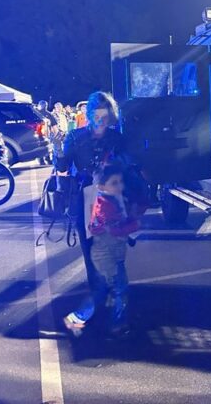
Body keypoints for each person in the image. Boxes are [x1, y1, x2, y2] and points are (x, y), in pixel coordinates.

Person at [55, 92, 127, 327]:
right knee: (97, 253)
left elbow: (62, 165)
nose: (101, 121)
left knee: (109, 253)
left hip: (104, 202)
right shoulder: (79, 137)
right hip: (89, 201)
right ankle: (109, 303)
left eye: (104, 116)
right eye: (97, 115)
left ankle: (114, 305)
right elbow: (62, 166)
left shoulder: (111, 138)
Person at [63, 162, 139, 337]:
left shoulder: (114, 199)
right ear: (101, 186)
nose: (120, 186)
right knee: (120, 289)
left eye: (120, 182)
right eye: (114, 183)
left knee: (101, 291)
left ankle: (77, 318)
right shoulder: (104, 205)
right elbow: (106, 229)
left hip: (112, 254)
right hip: (106, 256)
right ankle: (117, 324)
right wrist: (131, 226)